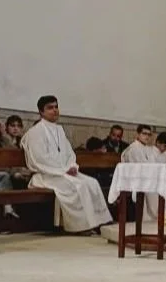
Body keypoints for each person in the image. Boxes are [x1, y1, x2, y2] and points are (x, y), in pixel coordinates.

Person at [21, 95, 113, 233]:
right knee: (78, 186)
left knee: (92, 182)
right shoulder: (35, 132)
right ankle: (81, 226)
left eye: (56, 107)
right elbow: (39, 159)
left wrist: (72, 167)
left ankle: (99, 222)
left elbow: (70, 154)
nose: (55, 110)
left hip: (63, 173)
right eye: (50, 108)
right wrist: (63, 170)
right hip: (45, 175)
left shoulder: (59, 130)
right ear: (41, 112)